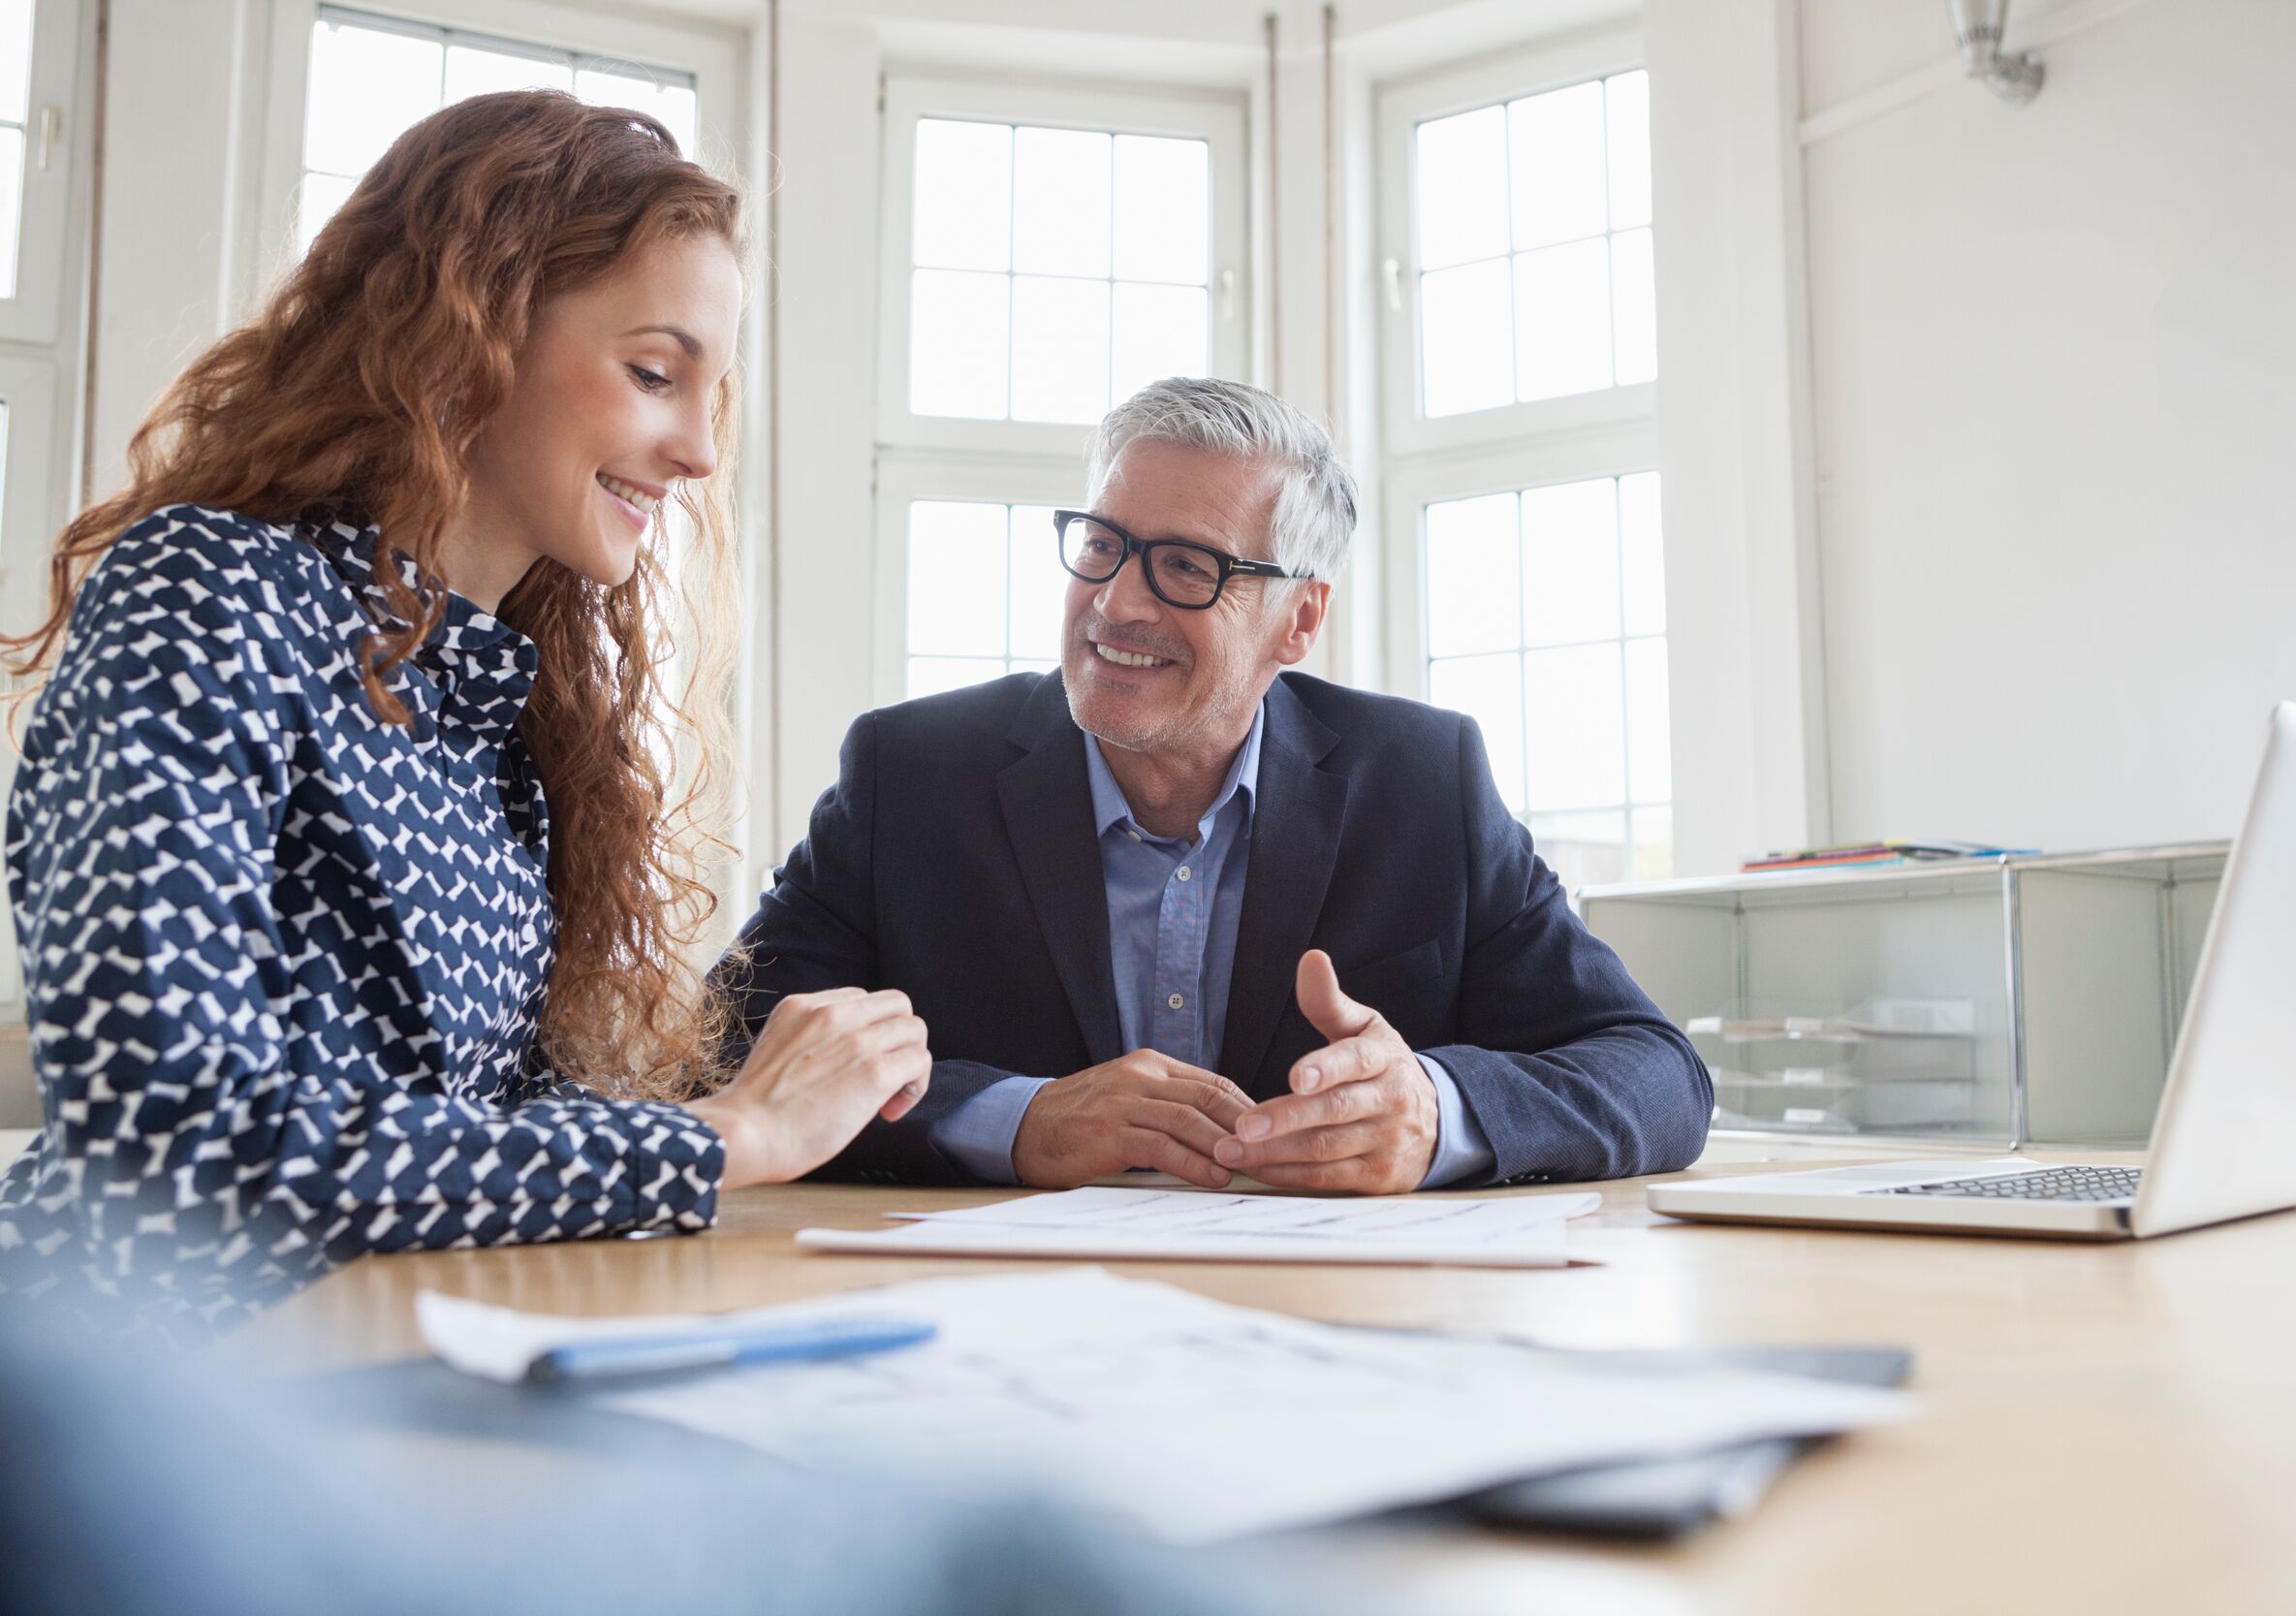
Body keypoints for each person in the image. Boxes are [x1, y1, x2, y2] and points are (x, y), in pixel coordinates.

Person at [0, 91, 928, 1337]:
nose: (700, 450)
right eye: (655, 372)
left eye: (713, 392)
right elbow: (173, 1150)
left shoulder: (500, 708)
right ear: (469, 332)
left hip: (389, 1362)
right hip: (139, 1394)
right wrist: (728, 1132)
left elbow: (486, 1146)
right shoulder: (210, 590)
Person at [718, 377, 1710, 1193]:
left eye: (1186, 566)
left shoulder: (1423, 783)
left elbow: (1655, 1071)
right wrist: (1015, 1118)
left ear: (1300, 619)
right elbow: (727, 1046)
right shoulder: (913, 774)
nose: (1116, 603)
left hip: (1331, 1342)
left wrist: (1433, 1112)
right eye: (1101, 543)